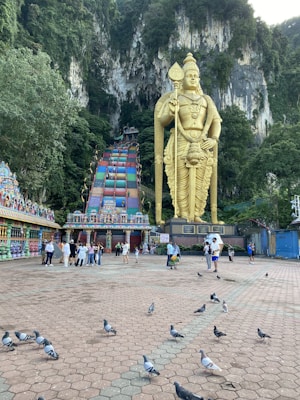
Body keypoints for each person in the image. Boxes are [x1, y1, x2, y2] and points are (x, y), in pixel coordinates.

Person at [154, 52, 222, 224]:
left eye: (195, 76)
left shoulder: (206, 99)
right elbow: (161, 120)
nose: (193, 78)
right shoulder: (175, 97)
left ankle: (197, 214)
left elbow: (216, 121)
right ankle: (183, 214)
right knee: (180, 179)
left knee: (202, 179)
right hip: (181, 141)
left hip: (202, 141)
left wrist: (214, 138)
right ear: (182, 78)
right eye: (189, 75)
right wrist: (171, 111)